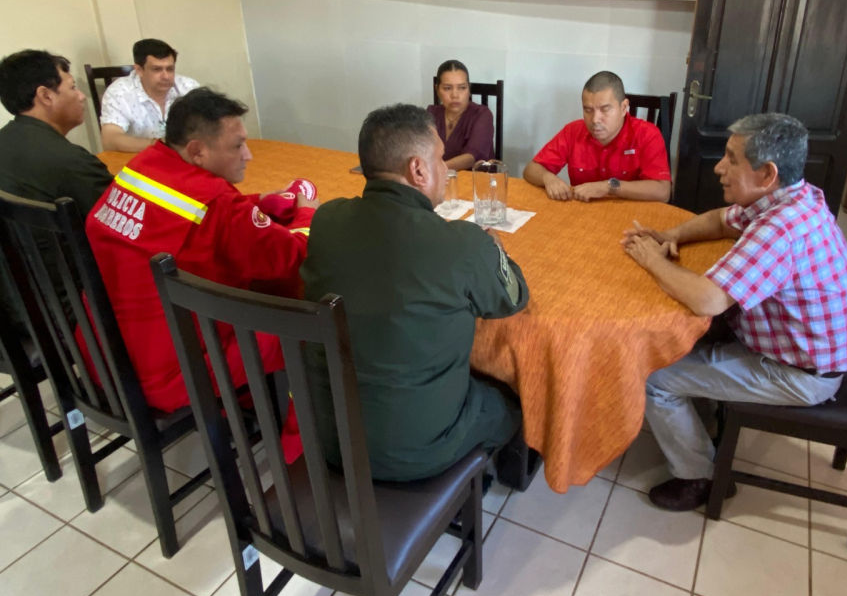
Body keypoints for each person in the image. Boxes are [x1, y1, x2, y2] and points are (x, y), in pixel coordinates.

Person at [621, 113, 847, 512]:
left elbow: (708, 299)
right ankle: (701, 415)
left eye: (732, 158)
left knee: (652, 374)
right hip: (810, 349)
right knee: (693, 336)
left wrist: (652, 259)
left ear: (767, 173)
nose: (719, 166)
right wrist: (670, 236)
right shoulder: (792, 197)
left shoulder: (782, 229)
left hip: (800, 373)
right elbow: (721, 220)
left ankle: (698, 476)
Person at [300, 103, 528, 481]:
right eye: (440, 159)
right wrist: (495, 248)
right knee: (510, 402)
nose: (447, 169)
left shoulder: (326, 220)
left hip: (329, 435)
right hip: (416, 451)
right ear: (417, 169)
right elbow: (513, 297)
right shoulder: (461, 244)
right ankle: (477, 482)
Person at [85, 88, 317, 411]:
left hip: (104, 357)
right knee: (309, 322)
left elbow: (194, 212)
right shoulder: (219, 204)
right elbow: (291, 258)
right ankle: (299, 431)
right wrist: (308, 214)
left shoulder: (142, 167)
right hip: (171, 375)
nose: (248, 155)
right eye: (237, 146)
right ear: (197, 152)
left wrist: (257, 202)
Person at [0, 50, 114, 323]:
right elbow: (129, 229)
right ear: (46, 95)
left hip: (14, 309)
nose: (82, 95)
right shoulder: (69, 162)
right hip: (70, 317)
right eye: (73, 87)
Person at [524, 71, 672, 203]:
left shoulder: (647, 134)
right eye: (588, 110)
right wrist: (548, 178)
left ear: (623, 108)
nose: (595, 119)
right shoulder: (573, 131)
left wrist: (609, 187)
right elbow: (531, 170)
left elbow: (662, 191)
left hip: (631, 217)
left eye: (605, 109)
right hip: (583, 216)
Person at [100, 39, 200, 153]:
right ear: (139, 70)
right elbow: (110, 140)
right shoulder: (119, 92)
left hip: (184, 158)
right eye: (157, 69)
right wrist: (162, 144)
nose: (166, 76)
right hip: (140, 159)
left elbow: (208, 128)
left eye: (170, 69)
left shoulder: (188, 87)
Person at [428, 59, 495, 170]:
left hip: (476, 182)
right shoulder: (431, 114)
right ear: (438, 90)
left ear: (469, 89)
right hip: (438, 181)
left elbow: (471, 158)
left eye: (462, 88)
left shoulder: (482, 115)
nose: (455, 95)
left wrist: (435, 170)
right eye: (447, 88)